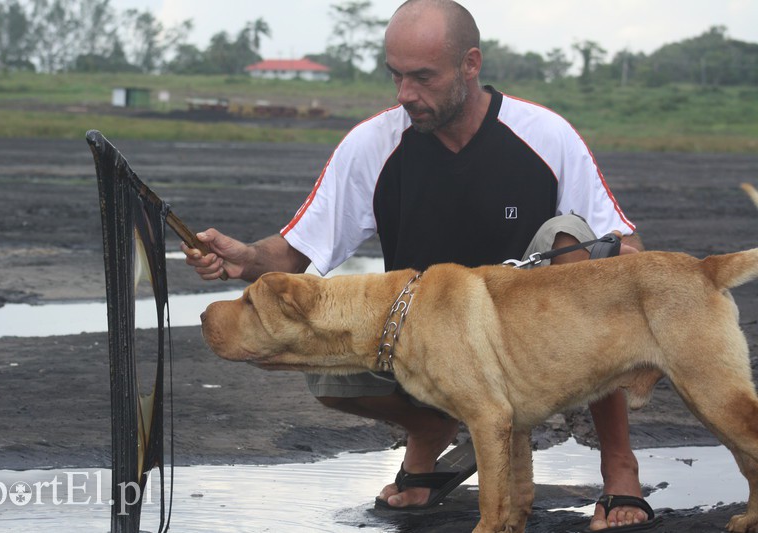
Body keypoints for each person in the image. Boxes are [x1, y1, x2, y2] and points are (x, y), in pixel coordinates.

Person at [184, 0, 650, 529]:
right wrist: (246, 257)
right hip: (421, 344)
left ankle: (619, 466)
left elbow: (622, 244)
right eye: (396, 76)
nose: (405, 93)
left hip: (534, 341)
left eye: (423, 77)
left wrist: (623, 270)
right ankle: (430, 431)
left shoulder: (545, 135)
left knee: (583, 249)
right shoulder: (373, 145)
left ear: (470, 64)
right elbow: (297, 250)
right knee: (320, 364)